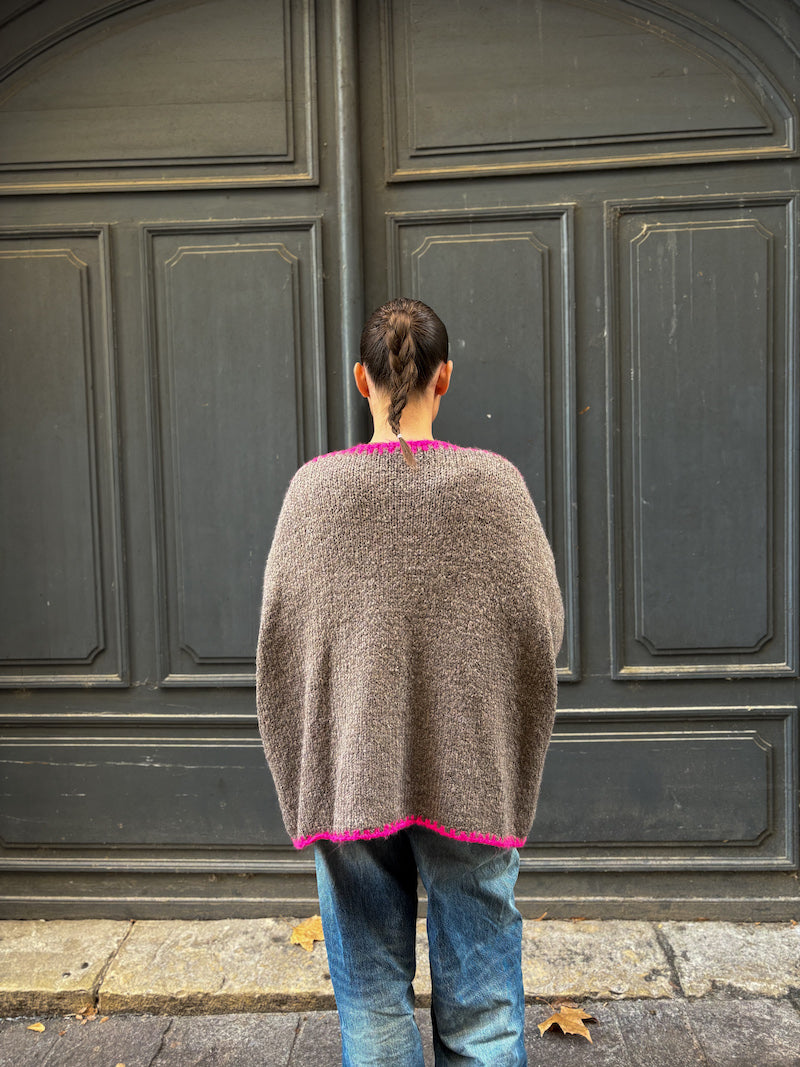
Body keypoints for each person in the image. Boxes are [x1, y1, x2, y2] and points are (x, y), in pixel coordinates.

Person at [256, 297, 564, 1066]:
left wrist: (315, 755)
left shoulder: (313, 493)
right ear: (445, 378)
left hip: (350, 773)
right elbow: (541, 621)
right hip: (471, 771)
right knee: (486, 1007)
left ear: (362, 379)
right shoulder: (495, 488)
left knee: (370, 998)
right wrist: (489, 707)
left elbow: (280, 640)